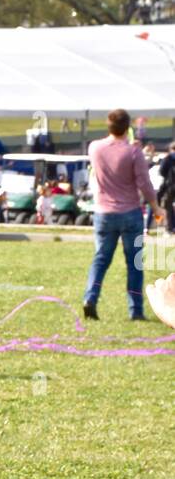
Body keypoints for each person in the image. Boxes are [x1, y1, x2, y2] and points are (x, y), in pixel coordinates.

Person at [83, 109, 162, 321]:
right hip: (130, 212)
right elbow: (144, 184)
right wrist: (156, 208)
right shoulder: (133, 152)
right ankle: (135, 310)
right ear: (127, 128)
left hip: (103, 212)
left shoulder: (95, 148)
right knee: (134, 263)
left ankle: (90, 297)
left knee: (100, 260)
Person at [155, 141, 175, 234]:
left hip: (169, 186)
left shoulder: (167, 159)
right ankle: (170, 227)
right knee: (168, 207)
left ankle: (169, 228)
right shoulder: (168, 159)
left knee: (168, 207)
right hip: (170, 186)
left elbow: (161, 172)